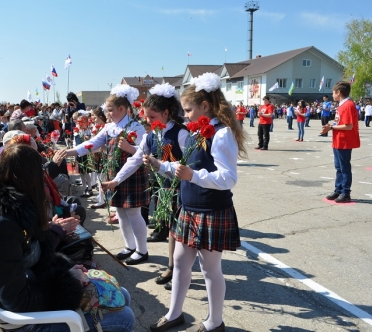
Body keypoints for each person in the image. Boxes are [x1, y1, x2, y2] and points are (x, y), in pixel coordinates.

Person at [0, 144, 135, 332]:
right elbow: (15, 300)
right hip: (23, 320)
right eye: (40, 172)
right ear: (30, 178)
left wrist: (67, 270)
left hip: (32, 291)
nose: (44, 179)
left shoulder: (11, 210)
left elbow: (29, 257)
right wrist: (69, 283)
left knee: (121, 294)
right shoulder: (3, 226)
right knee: (125, 317)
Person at [144, 72, 245, 332]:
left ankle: (215, 321)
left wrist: (194, 176)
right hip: (189, 207)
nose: (185, 115)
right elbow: (186, 166)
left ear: (206, 106)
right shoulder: (195, 131)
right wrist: (161, 165)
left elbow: (228, 178)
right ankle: (174, 313)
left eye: (188, 109)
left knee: (210, 269)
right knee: (179, 261)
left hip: (211, 209)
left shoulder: (221, 134)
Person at [65, 85, 150, 265]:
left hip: (131, 173)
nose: (108, 113)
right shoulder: (109, 127)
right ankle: (129, 246)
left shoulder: (136, 127)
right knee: (120, 212)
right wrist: (69, 152)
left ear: (122, 109)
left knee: (133, 213)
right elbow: (92, 144)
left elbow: (144, 152)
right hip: (115, 173)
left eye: (110, 110)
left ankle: (142, 250)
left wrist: (131, 148)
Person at [119, 83, 188, 286]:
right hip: (166, 188)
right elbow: (136, 159)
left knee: (181, 232)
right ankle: (171, 267)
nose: (147, 121)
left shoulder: (181, 133)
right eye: (146, 117)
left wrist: (161, 165)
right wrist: (116, 180)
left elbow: (188, 163)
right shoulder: (150, 136)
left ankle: (182, 271)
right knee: (172, 230)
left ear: (166, 113)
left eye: (152, 117)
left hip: (182, 189)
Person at [320, 81, 360, 203]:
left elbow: (348, 126)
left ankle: (346, 192)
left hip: (345, 141)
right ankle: (338, 189)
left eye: (333, 92)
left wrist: (332, 128)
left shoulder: (348, 105)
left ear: (339, 92)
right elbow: (340, 123)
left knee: (344, 167)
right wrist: (331, 126)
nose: (332, 95)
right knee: (338, 167)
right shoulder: (341, 105)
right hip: (338, 140)